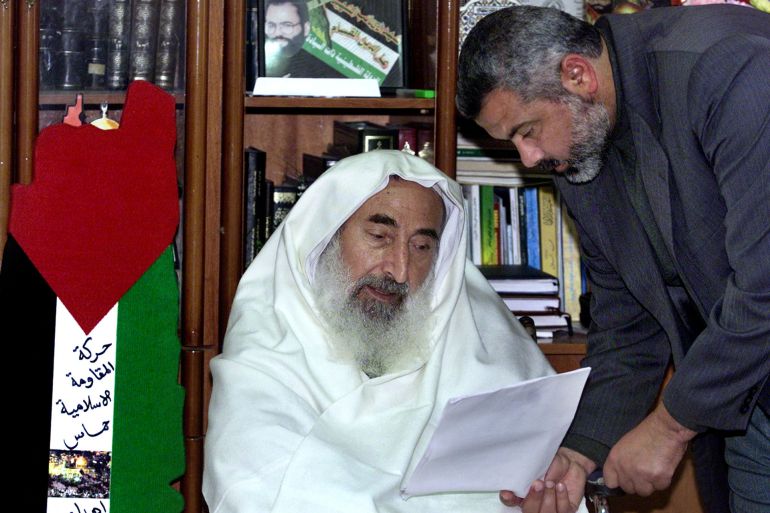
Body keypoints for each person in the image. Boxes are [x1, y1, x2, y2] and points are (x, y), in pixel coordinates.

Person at [457, 4, 770, 513]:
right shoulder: (581, 146)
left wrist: (669, 427)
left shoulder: (728, 69)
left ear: (577, 75)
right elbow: (628, 319)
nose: (528, 159)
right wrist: (580, 452)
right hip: (748, 400)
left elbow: (765, 285)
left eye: (526, 130)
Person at [202, 150, 571, 513]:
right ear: (324, 238)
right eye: (379, 236)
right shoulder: (263, 360)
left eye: (422, 246)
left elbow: (535, 481)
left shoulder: (488, 351)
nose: (399, 268)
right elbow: (255, 493)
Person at [263, 0, 342, 78]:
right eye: (271, 25)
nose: (277, 33)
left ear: (306, 28)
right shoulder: (263, 63)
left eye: (287, 25)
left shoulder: (323, 69)